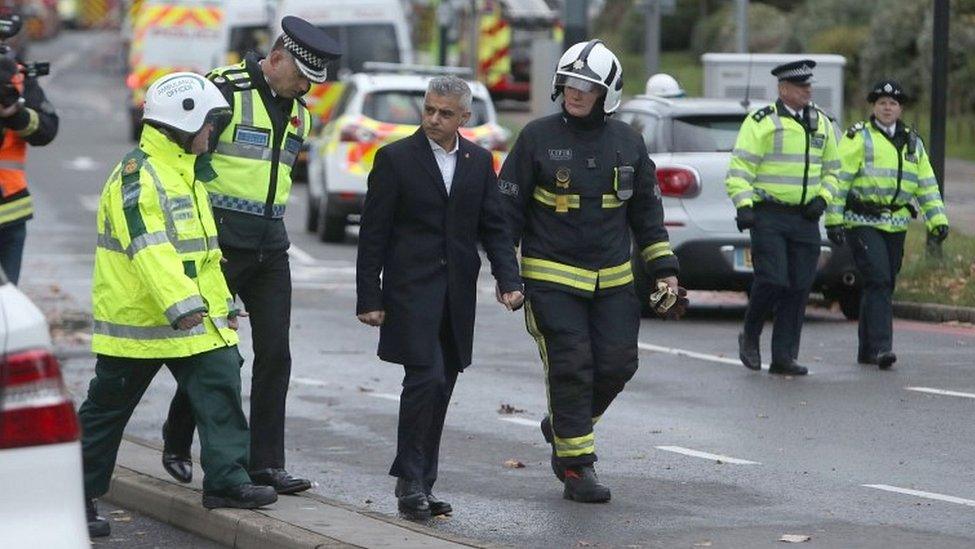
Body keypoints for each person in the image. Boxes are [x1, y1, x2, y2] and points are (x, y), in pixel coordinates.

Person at [80, 72, 277, 539]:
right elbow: (150, 249)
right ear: (184, 122)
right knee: (106, 413)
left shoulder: (186, 174)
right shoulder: (138, 176)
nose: (212, 135)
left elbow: (205, 255)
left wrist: (222, 307)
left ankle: (228, 481)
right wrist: (183, 304)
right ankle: (73, 495)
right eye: (210, 126)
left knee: (221, 381)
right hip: (140, 323)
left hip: (191, 319)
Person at [498, 40, 685, 504]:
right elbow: (504, 215)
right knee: (573, 366)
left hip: (615, 282)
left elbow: (647, 214)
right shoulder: (537, 138)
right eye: (570, 84)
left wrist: (665, 272)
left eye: (588, 85)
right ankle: (577, 467)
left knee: (620, 364)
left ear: (608, 93)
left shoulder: (628, 142)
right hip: (551, 281)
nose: (576, 93)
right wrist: (508, 278)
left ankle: (564, 423)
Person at [160, 16, 341, 494]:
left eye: (312, 82)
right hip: (217, 246)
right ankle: (178, 440)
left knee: (275, 354)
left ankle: (266, 464)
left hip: (271, 246)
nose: (306, 88)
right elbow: (186, 164)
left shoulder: (300, 112)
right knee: (211, 353)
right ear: (276, 58)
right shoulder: (224, 92)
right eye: (302, 77)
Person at [356, 75, 523, 519]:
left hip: (456, 297)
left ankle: (423, 483)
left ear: (464, 118)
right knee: (425, 379)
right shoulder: (395, 159)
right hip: (409, 291)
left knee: (443, 385)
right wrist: (368, 296)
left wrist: (509, 280)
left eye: (444, 113)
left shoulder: (478, 161)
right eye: (429, 109)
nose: (433, 118)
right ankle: (409, 481)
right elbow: (373, 234)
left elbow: (495, 229)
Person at [725, 59, 841, 376]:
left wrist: (823, 199)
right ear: (783, 89)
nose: (807, 91)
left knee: (800, 286)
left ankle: (784, 357)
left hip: (805, 217)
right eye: (801, 86)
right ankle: (750, 333)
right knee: (773, 278)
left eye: (809, 86)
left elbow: (834, 170)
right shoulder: (761, 122)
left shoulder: (822, 123)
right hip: (769, 215)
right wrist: (744, 205)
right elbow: (740, 170)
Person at [824, 79, 948, 369]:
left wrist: (937, 219)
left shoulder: (912, 142)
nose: (887, 108)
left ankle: (867, 348)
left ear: (900, 108)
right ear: (874, 107)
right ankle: (882, 348)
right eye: (882, 103)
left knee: (883, 283)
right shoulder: (859, 137)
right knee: (878, 278)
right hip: (862, 221)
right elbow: (840, 181)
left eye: (893, 103)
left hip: (896, 224)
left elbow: (926, 184)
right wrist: (834, 220)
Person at [0, 17, 58, 284]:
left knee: (6, 307)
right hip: (11, 211)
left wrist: (15, 114)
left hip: (10, 211)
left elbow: (46, 130)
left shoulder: (16, 75)